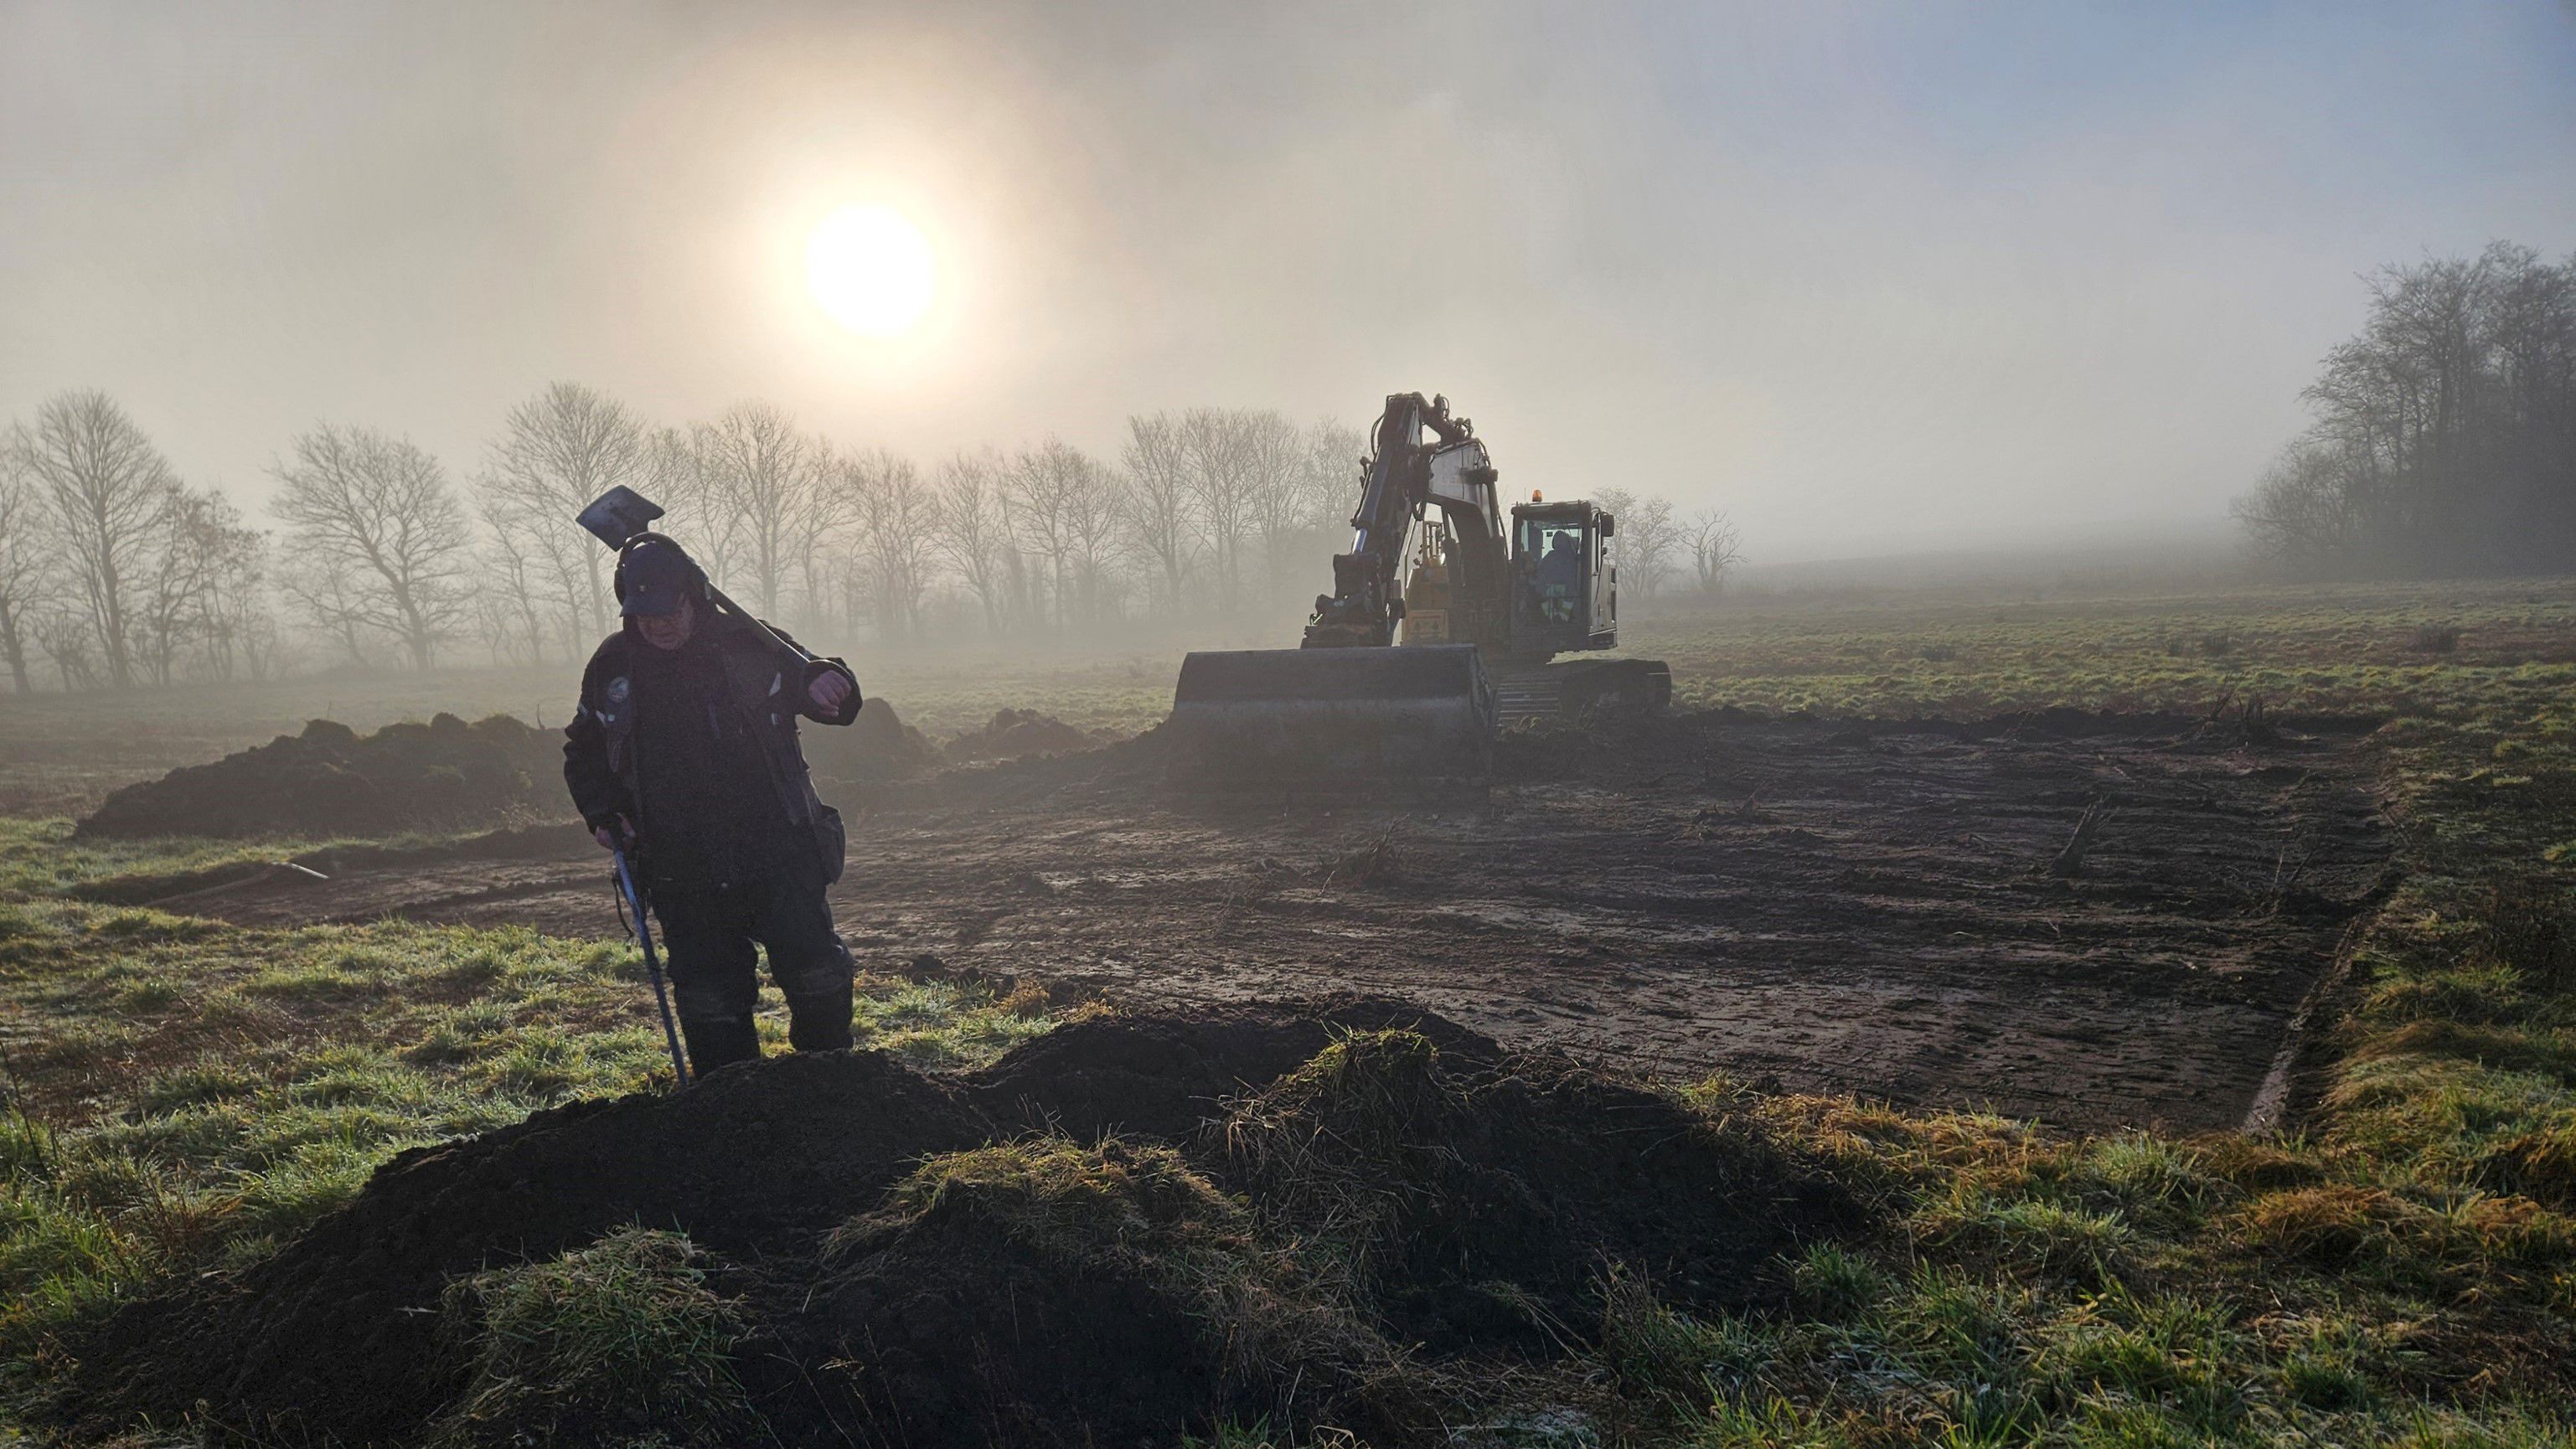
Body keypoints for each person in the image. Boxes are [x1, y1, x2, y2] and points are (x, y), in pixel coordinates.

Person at [562, 534, 865, 1075]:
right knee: (710, 1002)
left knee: (817, 976)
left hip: (779, 851)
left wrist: (833, 683)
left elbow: (820, 687)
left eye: (668, 609)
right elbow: (583, 751)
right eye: (643, 612)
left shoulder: (748, 642)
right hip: (682, 868)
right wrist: (602, 813)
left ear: (694, 596)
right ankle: (731, 1111)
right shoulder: (613, 668)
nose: (658, 624)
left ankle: (832, 1088)